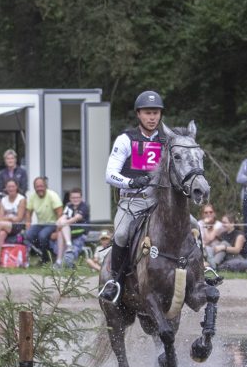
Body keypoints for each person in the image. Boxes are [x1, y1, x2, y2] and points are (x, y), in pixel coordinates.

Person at [99, 90, 167, 302]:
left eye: (156, 113)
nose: (152, 117)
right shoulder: (126, 139)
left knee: (192, 225)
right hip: (132, 202)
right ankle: (115, 282)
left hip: (160, 203)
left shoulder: (167, 140)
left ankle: (202, 272)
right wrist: (130, 182)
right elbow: (109, 174)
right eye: (148, 113)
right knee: (121, 235)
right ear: (138, 114)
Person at [24, 176, 63, 265]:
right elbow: (28, 213)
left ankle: (45, 259)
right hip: (40, 224)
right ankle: (45, 253)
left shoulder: (52, 195)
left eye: (41, 186)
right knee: (28, 234)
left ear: (45, 186)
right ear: (34, 188)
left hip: (53, 223)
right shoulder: (33, 196)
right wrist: (28, 225)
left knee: (42, 236)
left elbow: (60, 213)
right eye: (37, 187)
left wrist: (58, 231)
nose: (39, 188)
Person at [53, 188, 90, 269]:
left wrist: (62, 223)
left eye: (77, 197)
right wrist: (58, 222)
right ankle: (59, 260)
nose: (75, 199)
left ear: (81, 198)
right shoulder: (69, 205)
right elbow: (63, 216)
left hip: (81, 232)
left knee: (63, 225)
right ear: (70, 198)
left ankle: (60, 260)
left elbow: (76, 218)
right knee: (61, 229)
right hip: (70, 232)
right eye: (73, 197)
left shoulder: (84, 206)